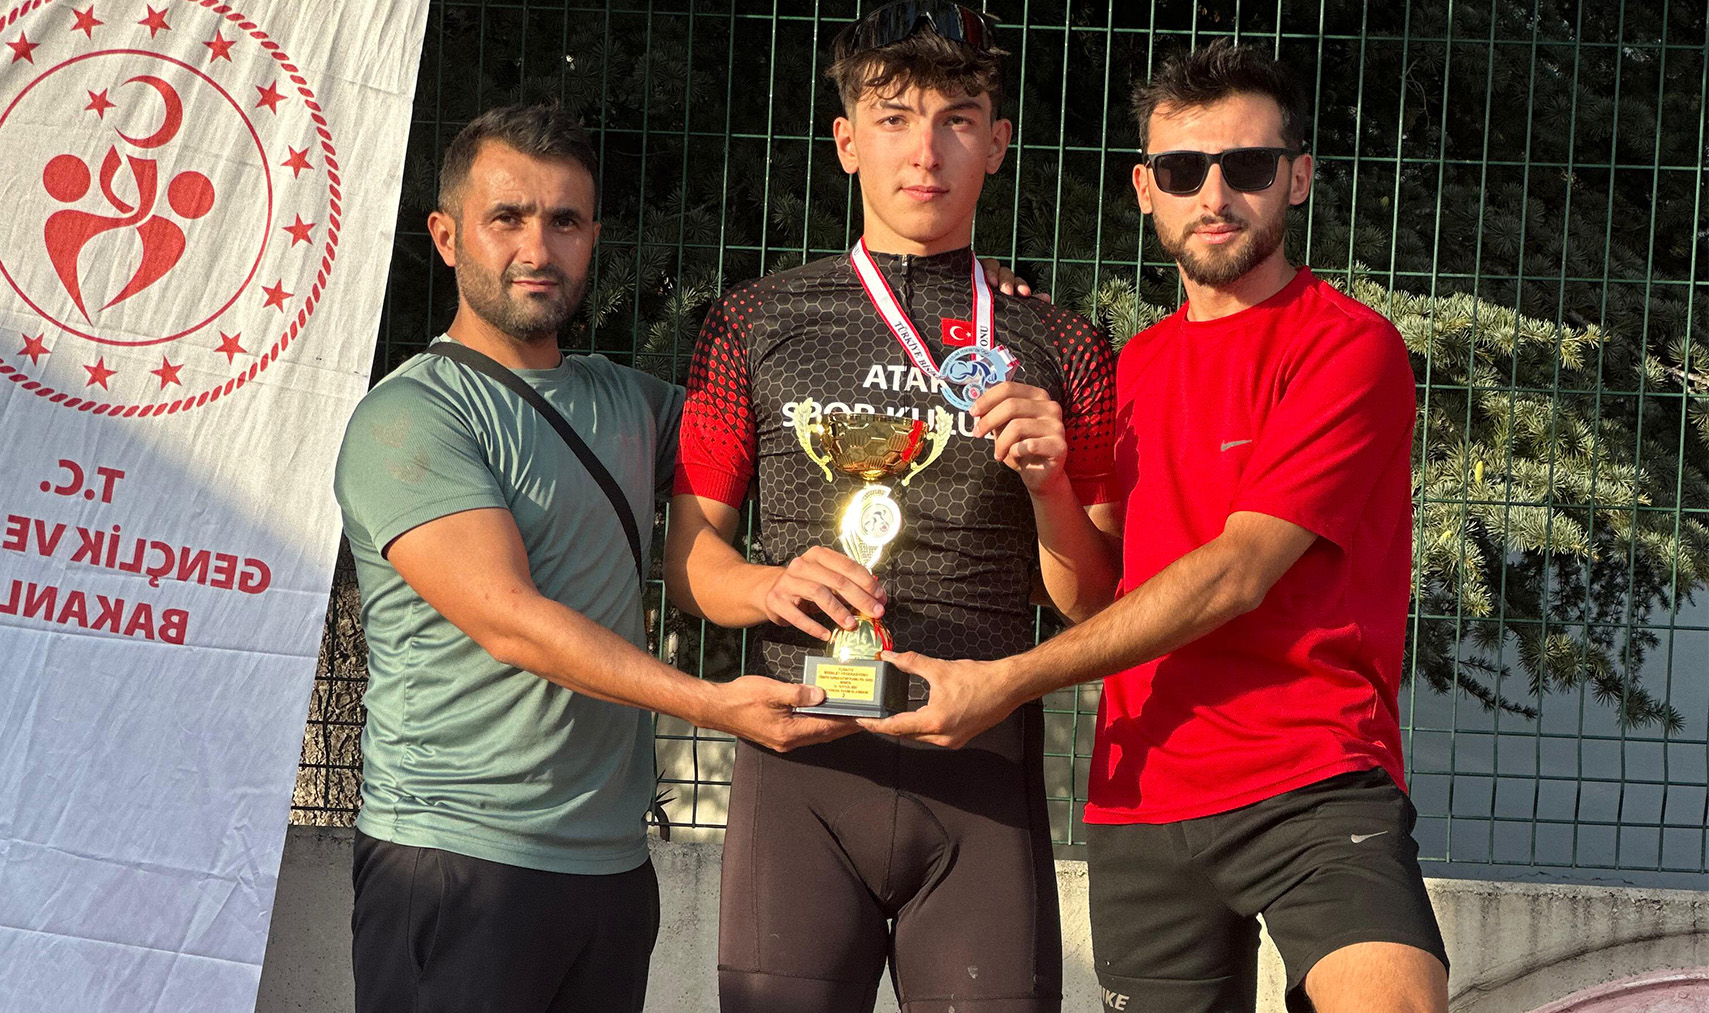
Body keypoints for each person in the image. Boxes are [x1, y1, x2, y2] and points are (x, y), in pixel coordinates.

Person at [865, 40, 1451, 1013]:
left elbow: (1236, 573)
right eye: (1182, 171)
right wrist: (1048, 485)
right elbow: (1091, 596)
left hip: (1309, 778)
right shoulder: (1124, 369)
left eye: (1246, 166)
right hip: (1140, 796)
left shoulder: (1347, 346)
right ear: (1145, 189)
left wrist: (1005, 681)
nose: (1213, 195)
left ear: (1298, 177)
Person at [332, 103, 855, 1013]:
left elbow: (781, 431)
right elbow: (512, 621)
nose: (537, 248)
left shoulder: (630, 401)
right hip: (457, 860)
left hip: (612, 872)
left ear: (593, 239)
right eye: (507, 218)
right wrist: (710, 705)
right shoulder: (411, 417)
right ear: (446, 236)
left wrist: (951, 288)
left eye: (564, 221)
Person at [664, 4, 1121, 1011]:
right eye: (893, 117)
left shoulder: (1060, 345)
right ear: (845, 141)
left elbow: (1091, 603)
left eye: (957, 119)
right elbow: (691, 567)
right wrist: (768, 586)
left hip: (978, 768)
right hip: (801, 754)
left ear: (996, 143)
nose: (925, 151)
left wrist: (1049, 484)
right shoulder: (752, 321)